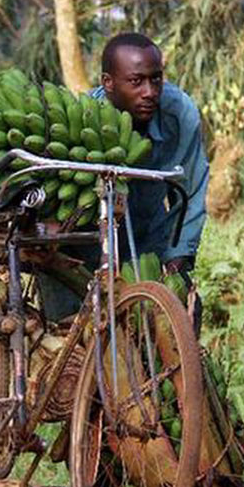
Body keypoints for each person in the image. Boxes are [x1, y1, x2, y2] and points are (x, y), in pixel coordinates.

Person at [38, 32, 209, 326]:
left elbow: (192, 188)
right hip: (85, 241)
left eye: (156, 79)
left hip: (147, 236)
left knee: (175, 320)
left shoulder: (179, 114)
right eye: (136, 81)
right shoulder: (80, 119)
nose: (150, 92)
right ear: (108, 83)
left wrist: (177, 254)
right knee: (70, 337)